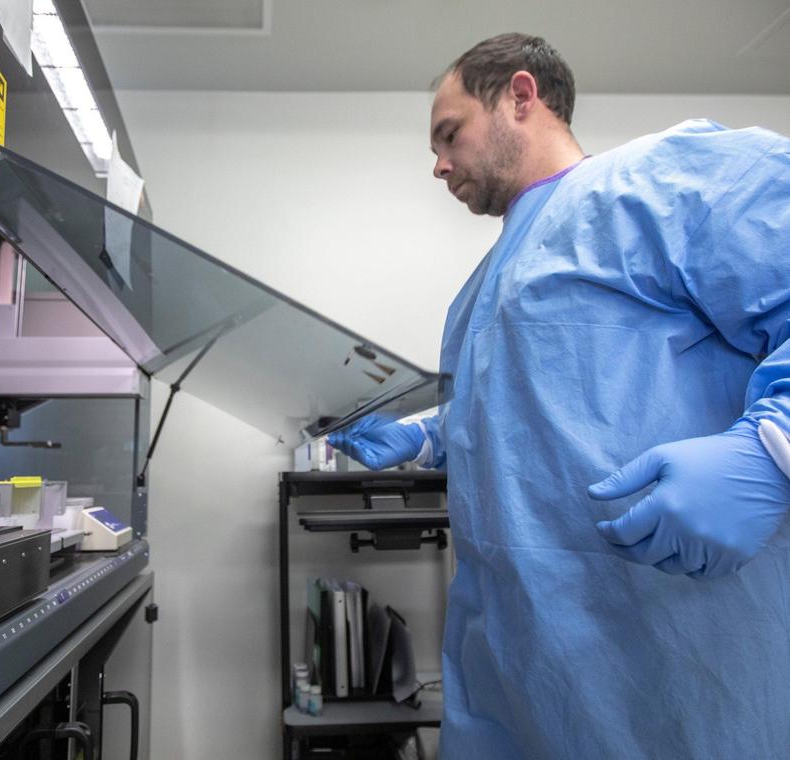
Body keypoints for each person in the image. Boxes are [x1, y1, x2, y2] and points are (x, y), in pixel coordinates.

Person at [329, 33, 790, 759]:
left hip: (672, 670)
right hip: (513, 675)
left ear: (520, 96)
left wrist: (773, 451)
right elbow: (538, 411)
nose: (439, 165)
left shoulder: (663, 183)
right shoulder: (478, 290)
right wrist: (427, 435)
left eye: (449, 136)